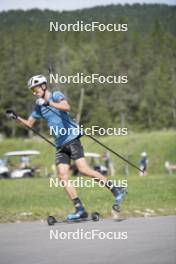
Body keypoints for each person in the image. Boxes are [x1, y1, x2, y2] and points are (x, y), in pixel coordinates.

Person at [9, 75, 126, 220]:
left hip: (71, 139)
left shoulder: (56, 95)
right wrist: (16, 118)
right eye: (32, 90)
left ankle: (116, 189)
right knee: (62, 175)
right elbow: (29, 124)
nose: (34, 93)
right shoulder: (38, 105)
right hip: (60, 145)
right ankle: (80, 209)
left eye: (35, 89)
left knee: (84, 169)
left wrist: (48, 103)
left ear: (44, 86)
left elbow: (66, 107)